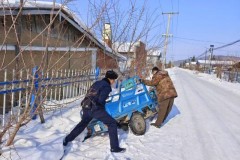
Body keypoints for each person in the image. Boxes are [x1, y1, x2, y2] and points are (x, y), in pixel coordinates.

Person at [63, 70, 126, 153]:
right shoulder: (106, 86)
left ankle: (67, 139)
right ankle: (114, 147)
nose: (114, 82)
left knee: (82, 124)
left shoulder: (97, 83)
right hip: (95, 109)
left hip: (86, 106)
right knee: (112, 123)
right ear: (111, 79)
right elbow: (101, 100)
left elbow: (89, 94)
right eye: (114, 80)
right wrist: (103, 115)